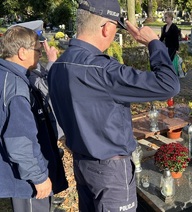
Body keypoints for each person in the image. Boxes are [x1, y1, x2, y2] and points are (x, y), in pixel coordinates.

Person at [47, 0, 180, 211]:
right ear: (107, 27)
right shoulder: (104, 70)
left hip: (82, 164)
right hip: (110, 171)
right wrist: (154, 43)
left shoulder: (57, 66)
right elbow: (169, 85)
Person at [0, 26, 68, 211]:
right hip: (27, 182)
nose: (40, 55)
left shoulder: (9, 75)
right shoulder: (16, 88)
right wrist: (38, 178)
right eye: (37, 50)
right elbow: (19, 142)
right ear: (22, 52)